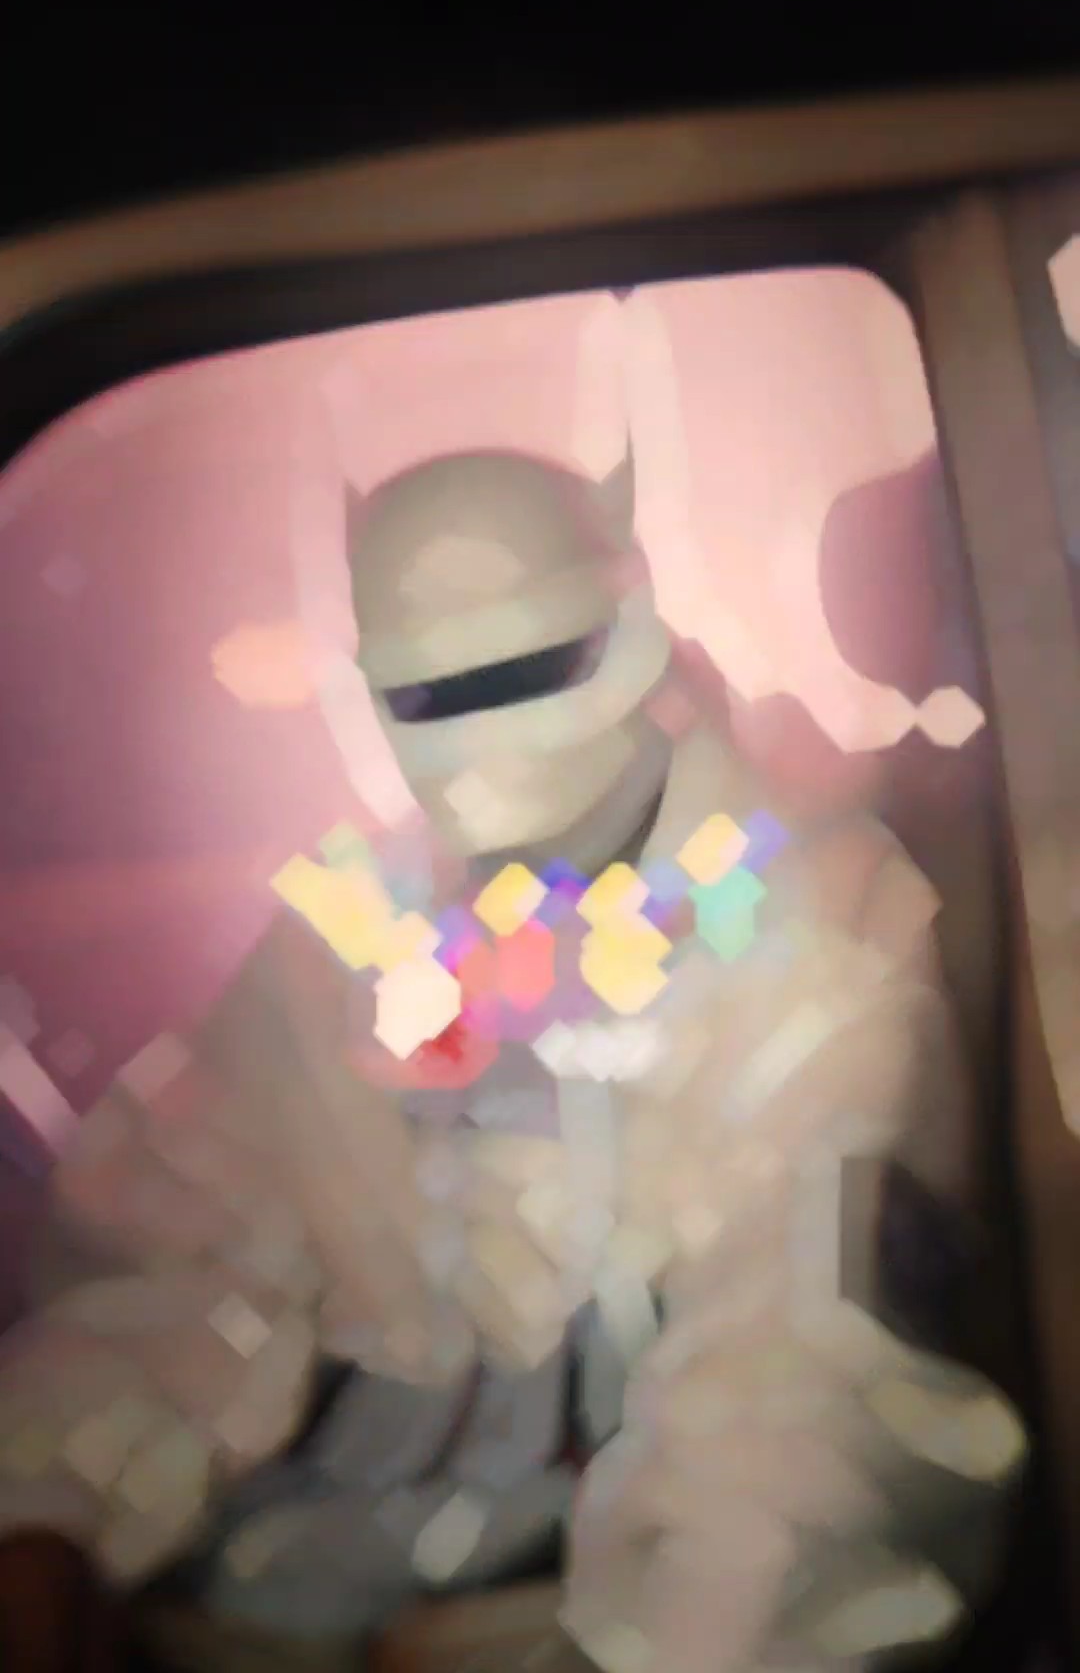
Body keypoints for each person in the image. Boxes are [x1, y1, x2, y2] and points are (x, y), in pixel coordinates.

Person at [0, 445, 1026, 1671]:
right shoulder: (350, 933)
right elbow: (175, 1260)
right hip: (288, 1582)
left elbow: (809, 1371)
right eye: (432, 692)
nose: (482, 732)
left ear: (625, 626)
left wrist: (687, 1638)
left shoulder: (811, 912)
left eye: (524, 670)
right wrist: (47, 1510)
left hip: (619, 1607)